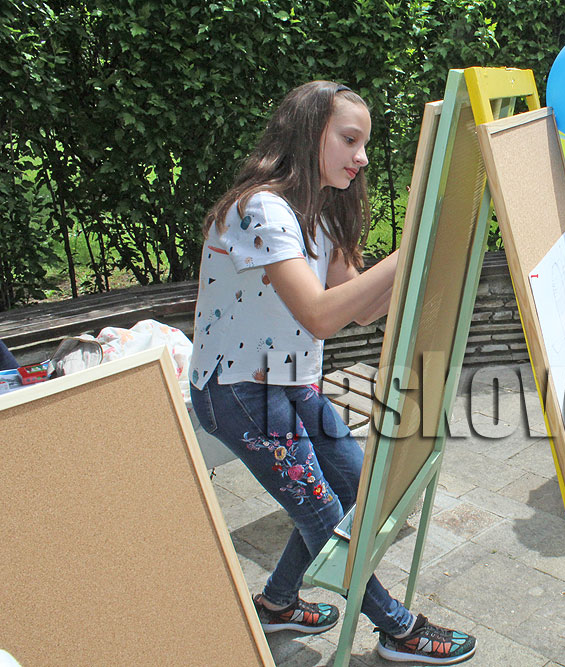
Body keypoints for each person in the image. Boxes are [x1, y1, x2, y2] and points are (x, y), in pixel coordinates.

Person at [188, 81, 476, 665]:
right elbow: (319, 315)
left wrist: (426, 252)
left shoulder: (320, 210)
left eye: (364, 143)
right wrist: (414, 244)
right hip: (237, 391)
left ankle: (277, 601)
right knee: (322, 514)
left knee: (355, 493)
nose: (362, 157)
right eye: (349, 140)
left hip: (291, 383)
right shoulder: (260, 209)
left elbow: (360, 308)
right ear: (308, 132)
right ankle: (399, 629)